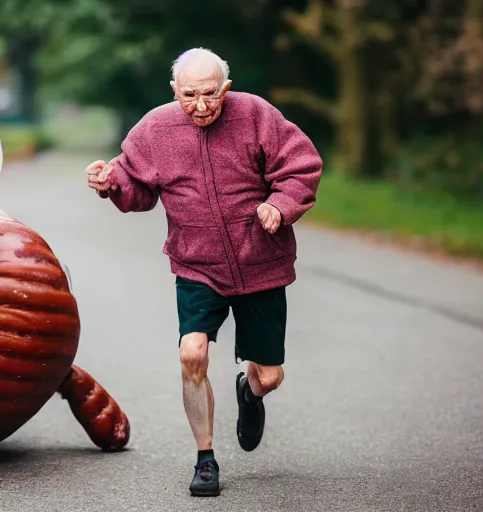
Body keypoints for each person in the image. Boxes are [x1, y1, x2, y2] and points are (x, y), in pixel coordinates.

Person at [86, 47, 323, 497]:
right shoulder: (156, 127)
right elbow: (136, 186)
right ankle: (205, 459)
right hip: (197, 264)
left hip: (261, 266)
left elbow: (302, 166)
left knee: (269, 375)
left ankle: (248, 392)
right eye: (189, 95)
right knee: (191, 353)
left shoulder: (255, 114)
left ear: (226, 89)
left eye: (210, 95)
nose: (199, 106)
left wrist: (280, 204)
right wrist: (111, 183)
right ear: (175, 91)